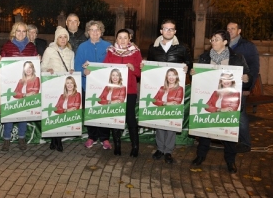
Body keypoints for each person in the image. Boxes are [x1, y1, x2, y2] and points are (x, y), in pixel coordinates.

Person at [191, 30, 250, 173]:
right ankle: (200, 156)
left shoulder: (237, 58)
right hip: (212, 100)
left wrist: (246, 79)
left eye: (216, 39)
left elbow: (247, 79)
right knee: (205, 131)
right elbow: (198, 79)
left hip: (229, 105)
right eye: (211, 39)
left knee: (228, 134)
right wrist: (193, 74)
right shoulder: (204, 57)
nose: (213, 41)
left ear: (225, 42)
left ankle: (230, 161)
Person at [147, 19, 191, 164]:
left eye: (171, 29)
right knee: (160, 121)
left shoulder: (182, 48)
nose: (168, 31)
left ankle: (168, 151)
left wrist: (187, 67)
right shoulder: (153, 48)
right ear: (161, 31)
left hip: (174, 89)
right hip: (161, 88)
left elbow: (189, 63)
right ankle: (160, 149)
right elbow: (149, 66)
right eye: (166, 29)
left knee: (171, 122)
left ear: (175, 32)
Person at [0, 21, 38, 151]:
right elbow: (2, 64)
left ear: (26, 33)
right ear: (14, 32)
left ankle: (21, 138)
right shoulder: (7, 46)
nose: (21, 34)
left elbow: (35, 64)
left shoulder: (31, 46)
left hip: (26, 84)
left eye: (23, 31)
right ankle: (6, 139)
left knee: (23, 112)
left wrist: (38, 59)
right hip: (12, 85)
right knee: (10, 111)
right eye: (18, 31)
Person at [103, 29, 142, 156]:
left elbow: (140, 73)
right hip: (114, 90)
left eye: (125, 37)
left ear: (129, 39)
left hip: (130, 90)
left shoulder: (136, 52)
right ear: (116, 39)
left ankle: (135, 146)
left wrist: (133, 68)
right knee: (116, 117)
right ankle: (117, 145)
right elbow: (103, 69)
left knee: (130, 118)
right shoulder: (110, 52)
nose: (123, 40)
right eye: (120, 37)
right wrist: (90, 68)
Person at [74, 20, 110, 149]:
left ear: (101, 31)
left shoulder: (108, 46)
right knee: (90, 111)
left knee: (103, 110)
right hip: (87, 85)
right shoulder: (82, 47)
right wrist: (84, 71)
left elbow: (114, 63)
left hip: (104, 85)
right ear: (88, 32)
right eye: (92, 30)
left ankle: (105, 138)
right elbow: (77, 65)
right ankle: (92, 136)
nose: (95, 32)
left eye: (97, 30)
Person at [41, 26, 75, 151]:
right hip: (51, 85)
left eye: (65, 37)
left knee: (61, 111)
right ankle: (53, 139)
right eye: (60, 37)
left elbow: (72, 69)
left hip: (64, 87)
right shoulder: (49, 50)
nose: (63, 39)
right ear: (56, 38)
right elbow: (42, 67)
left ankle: (58, 139)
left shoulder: (71, 53)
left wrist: (72, 71)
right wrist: (47, 70)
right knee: (53, 111)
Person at [227, 22, 259, 153]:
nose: (230, 31)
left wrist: (248, 86)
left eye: (233, 29)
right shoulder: (224, 44)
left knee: (240, 115)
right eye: (228, 29)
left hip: (240, 86)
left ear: (239, 31)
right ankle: (229, 139)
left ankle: (245, 143)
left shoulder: (248, 46)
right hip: (226, 86)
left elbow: (254, 68)